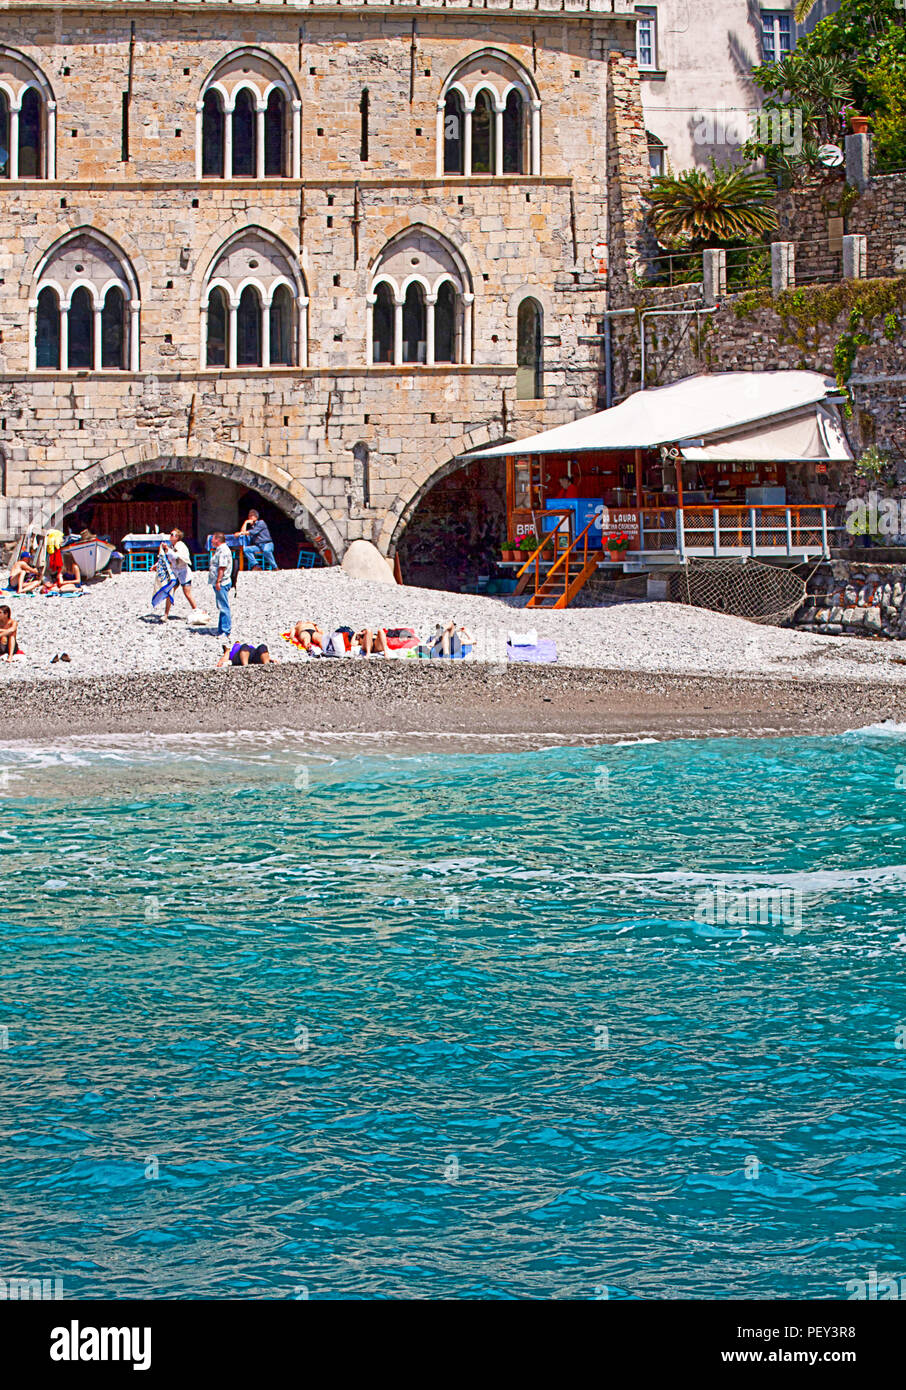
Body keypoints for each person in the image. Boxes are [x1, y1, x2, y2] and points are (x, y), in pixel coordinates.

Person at [158, 529, 206, 622]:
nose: (170, 536)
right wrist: (157, 565)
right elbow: (166, 558)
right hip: (175, 572)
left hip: (184, 572)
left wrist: (168, 550)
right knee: (170, 592)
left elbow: (177, 556)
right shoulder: (170, 546)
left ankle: (196, 611)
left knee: (187, 593)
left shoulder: (181, 546)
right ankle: (166, 614)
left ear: (177, 537)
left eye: (172, 534)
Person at [208, 531, 233, 640]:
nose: (211, 540)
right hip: (219, 581)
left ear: (217, 539)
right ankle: (220, 629)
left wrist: (218, 581)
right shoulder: (220, 549)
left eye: (213, 538)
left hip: (222, 582)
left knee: (224, 606)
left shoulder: (223, 550)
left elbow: (222, 567)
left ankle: (226, 631)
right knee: (220, 605)